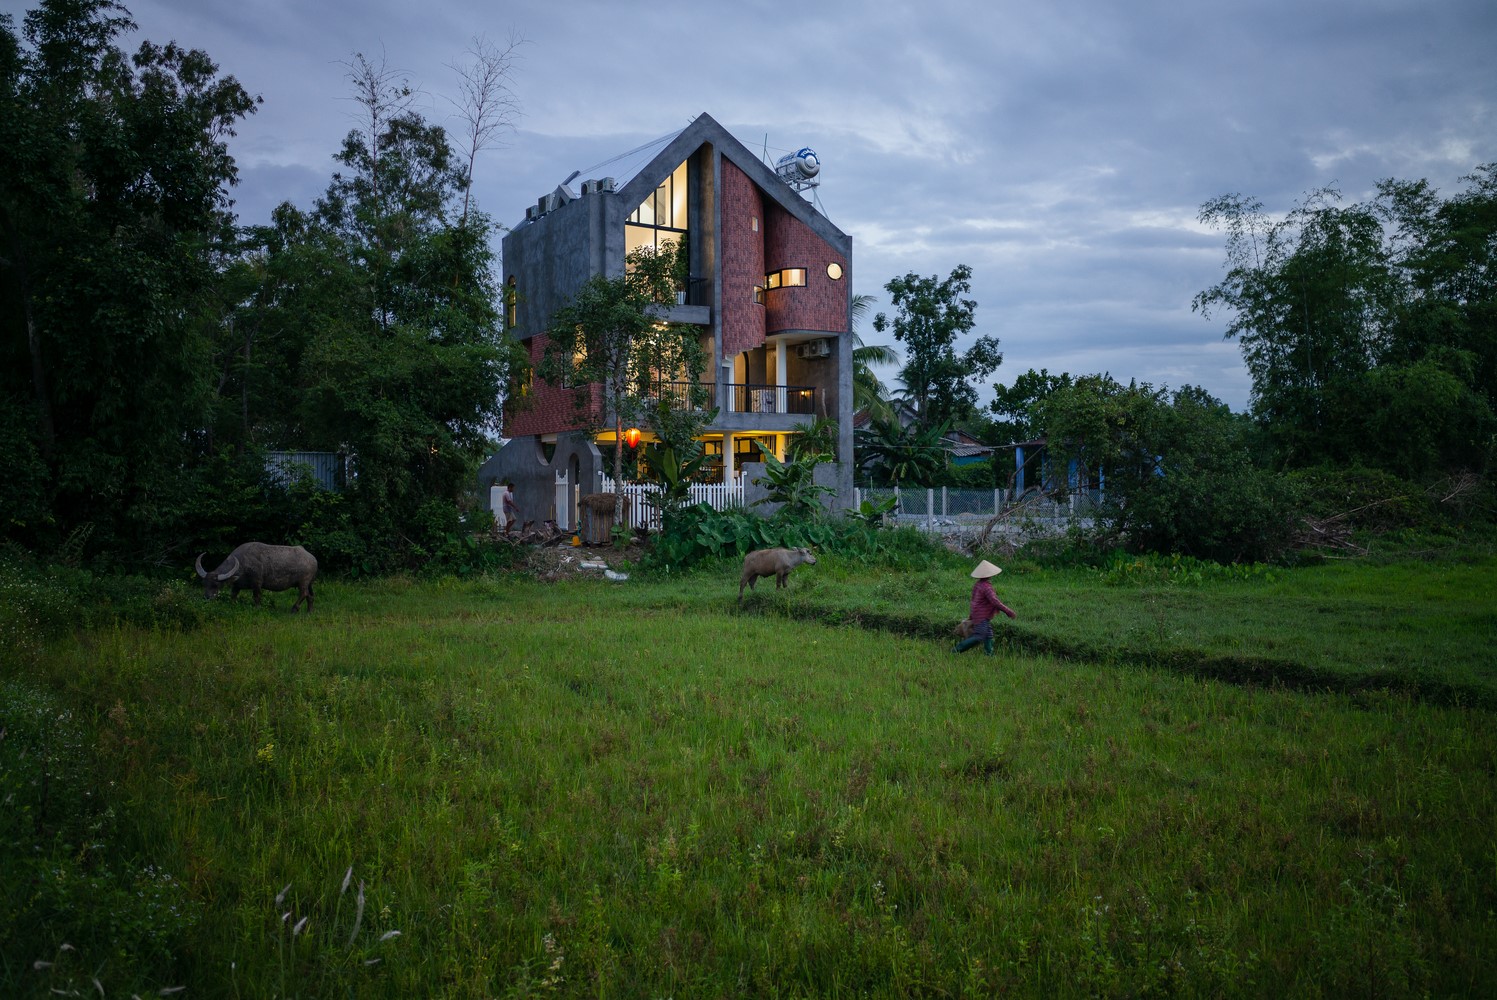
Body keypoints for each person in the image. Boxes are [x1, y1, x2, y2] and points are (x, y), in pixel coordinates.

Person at [954, 559, 1016, 655]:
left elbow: (974, 601)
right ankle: (956, 650)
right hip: (982, 616)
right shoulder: (987, 587)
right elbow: (995, 601)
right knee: (979, 636)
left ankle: (989, 654)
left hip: (978, 614)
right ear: (989, 575)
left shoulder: (978, 585)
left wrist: (972, 614)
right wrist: (1008, 611)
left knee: (988, 634)